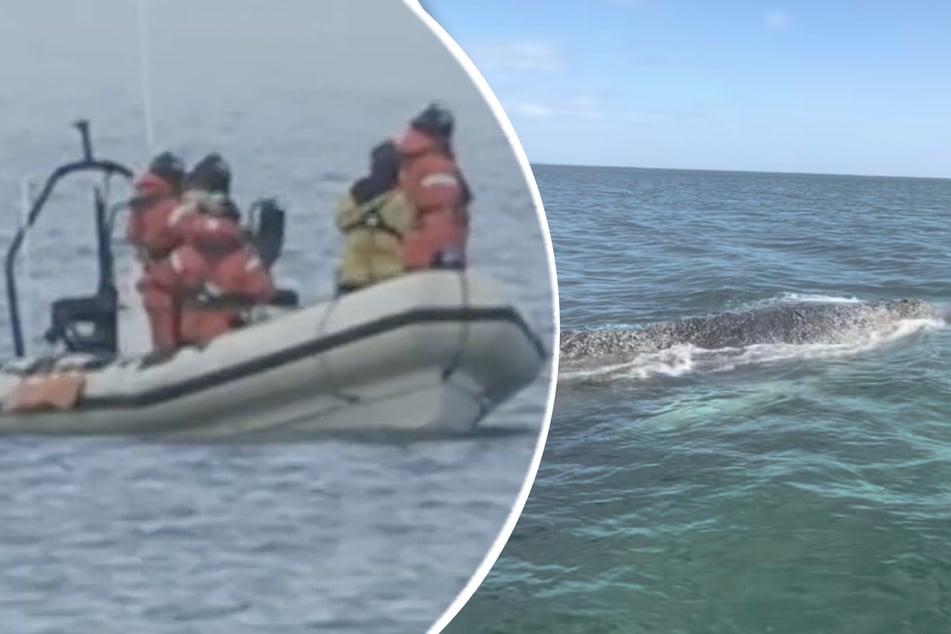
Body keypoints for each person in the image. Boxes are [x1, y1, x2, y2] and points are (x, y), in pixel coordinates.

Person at [137, 154, 274, 350]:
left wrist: (165, 349)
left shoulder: (184, 256)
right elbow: (264, 290)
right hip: (233, 337)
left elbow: (154, 289)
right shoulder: (244, 255)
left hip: (198, 342)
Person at [394, 102, 473, 271]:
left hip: (405, 257)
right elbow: (442, 215)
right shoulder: (439, 166)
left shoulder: (406, 161)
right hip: (432, 260)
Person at [334, 138, 415, 295]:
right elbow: (409, 227)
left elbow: (340, 221)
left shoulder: (354, 193)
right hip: (388, 275)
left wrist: (366, 220)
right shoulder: (400, 198)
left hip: (352, 274)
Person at [126, 151, 187, 351]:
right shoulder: (172, 208)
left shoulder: (141, 203)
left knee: (163, 341)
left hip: (153, 277)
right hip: (171, 279)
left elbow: (133, 235)